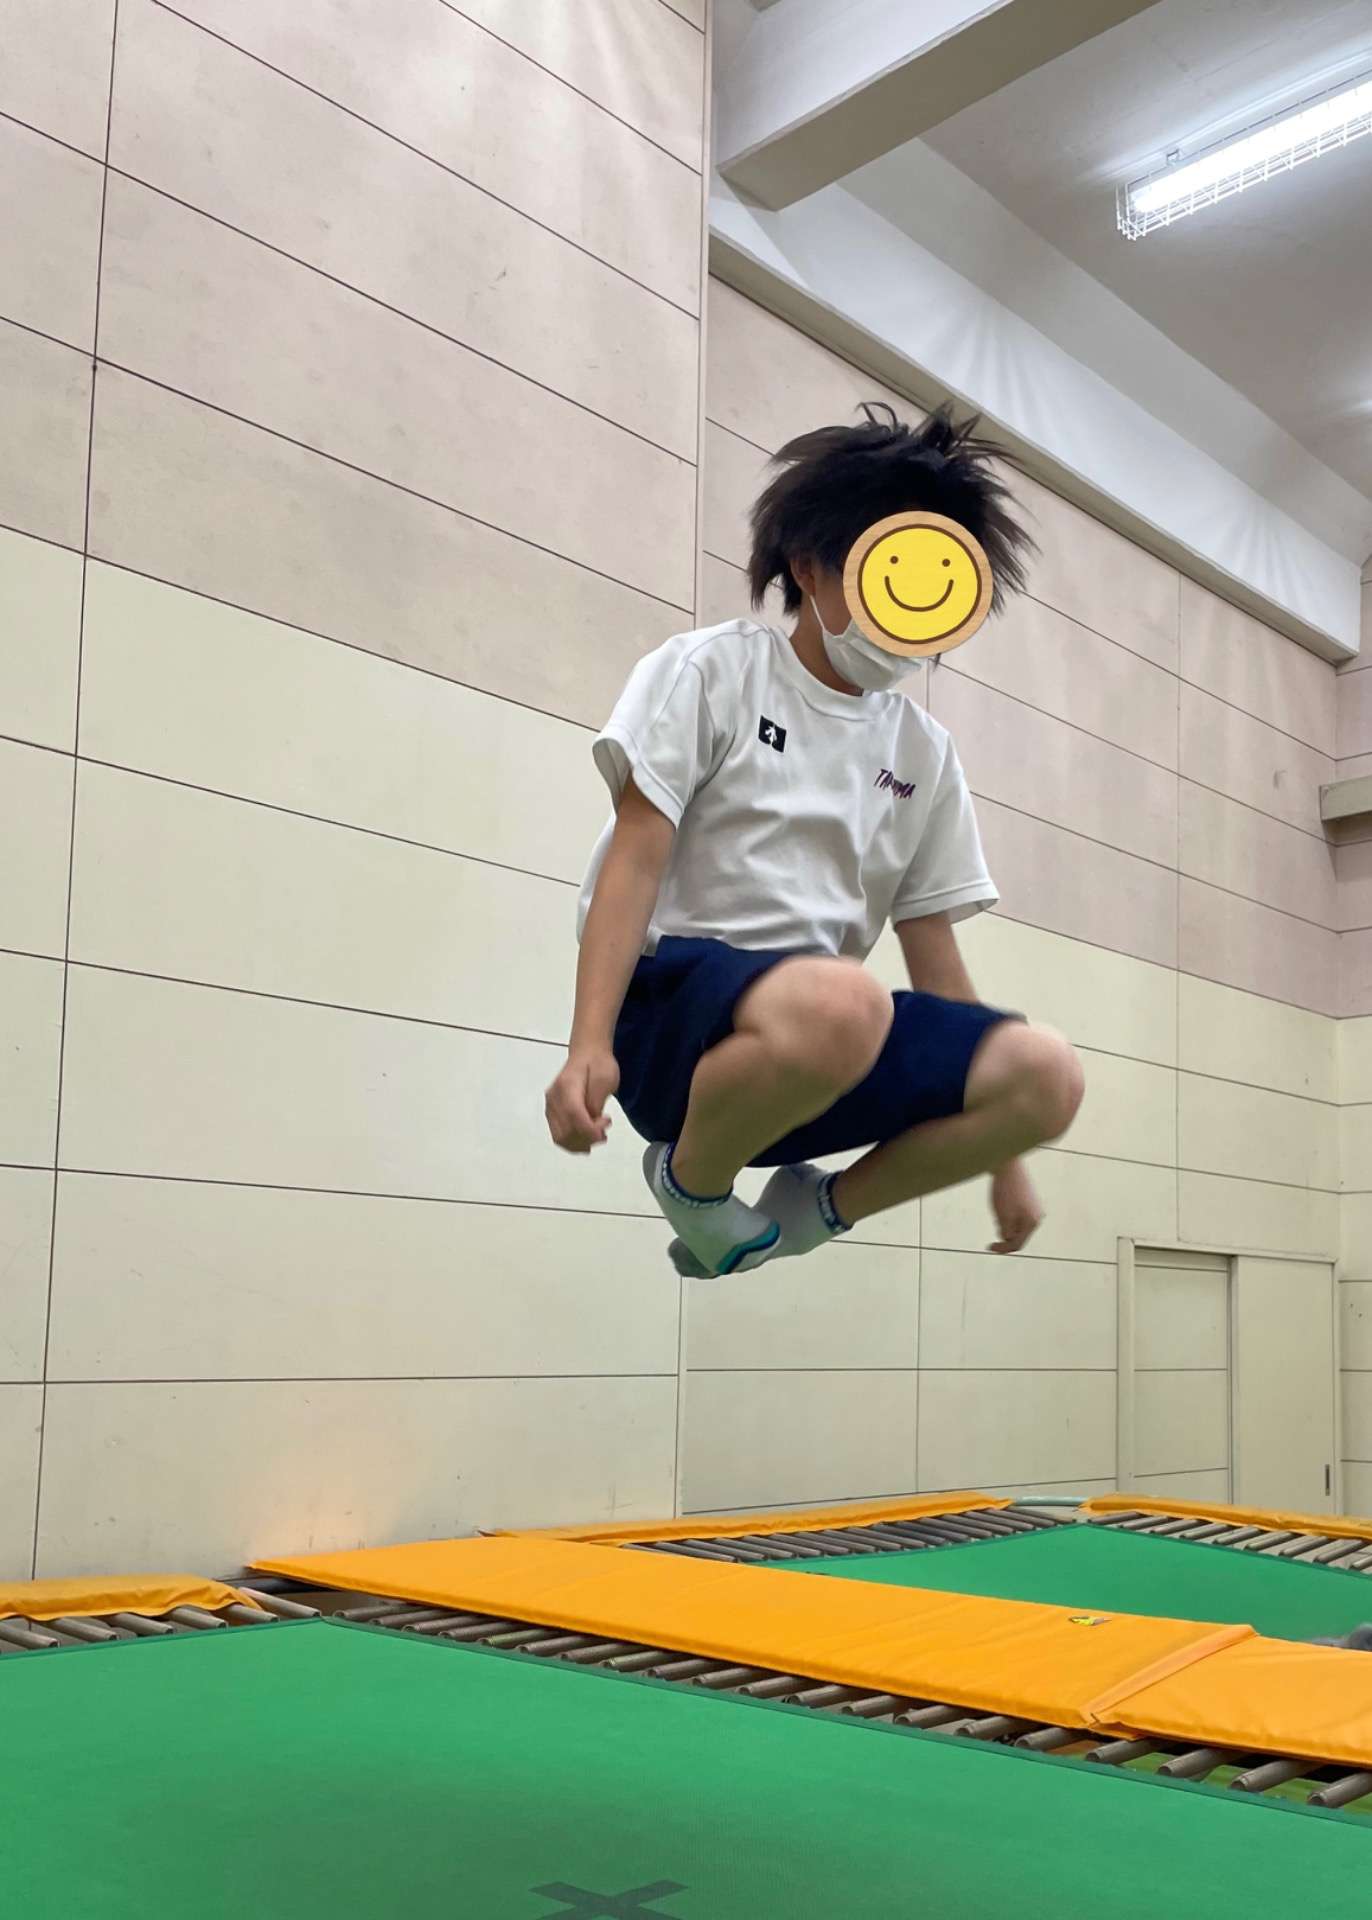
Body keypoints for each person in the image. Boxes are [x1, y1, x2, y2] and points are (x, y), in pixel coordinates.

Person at [544, 403, 1084, 1279]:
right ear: (808, 563)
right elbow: (636, 856)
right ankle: (694, 1184)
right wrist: (587, 1045)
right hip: (674, 1030)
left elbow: (935, 957)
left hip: (816, 1058)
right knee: (845, 1000)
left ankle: (811, 1214)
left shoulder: (923, 753)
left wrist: (1003, 1151)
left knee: (1045, 1072)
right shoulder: (714, 671)